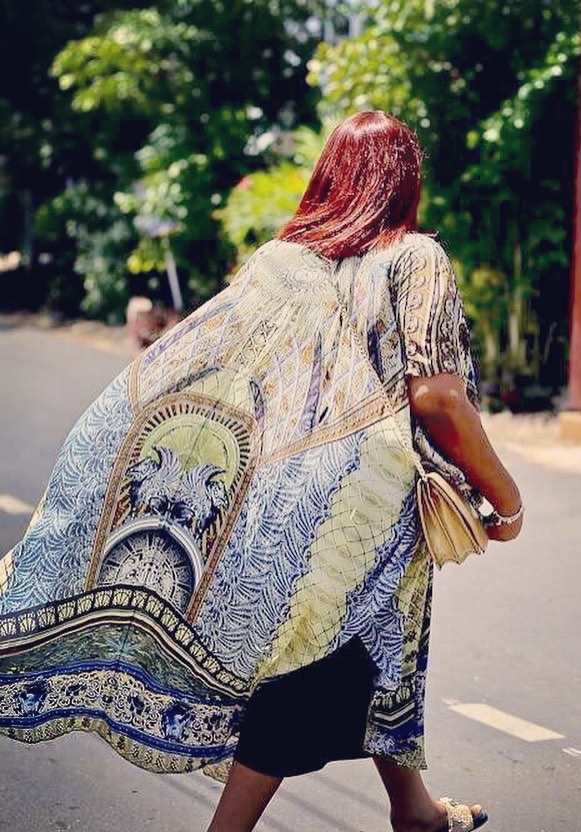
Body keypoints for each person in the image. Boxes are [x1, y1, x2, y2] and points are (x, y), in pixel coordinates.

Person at [0, 111, 522, 832]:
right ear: (405, 183)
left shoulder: (281, 259)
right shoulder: (413, 257)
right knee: (314, 663)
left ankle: (415, 809)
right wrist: (506, 497)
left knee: (374, 645)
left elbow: (214, 359)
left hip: (276, 489)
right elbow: (436, 396)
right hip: (361, 509)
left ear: (329, 177)